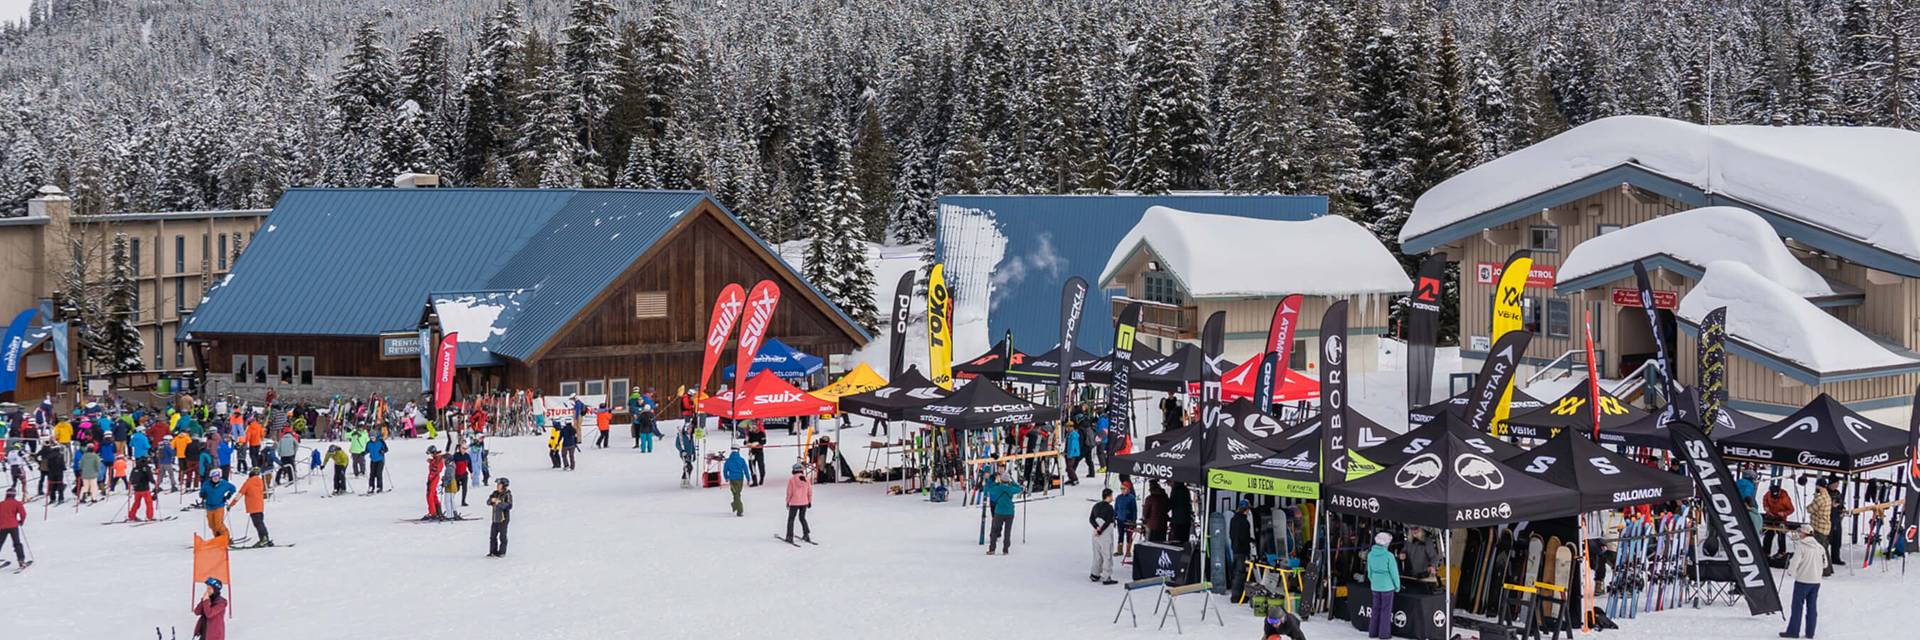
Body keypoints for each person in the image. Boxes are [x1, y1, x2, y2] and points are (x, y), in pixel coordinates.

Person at [1782, 522, 1826, 639]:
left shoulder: (1801, 546)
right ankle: (1810, 633)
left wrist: (1790, 571)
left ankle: (1793, 631)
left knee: (1797, 606)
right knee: (1812, 607)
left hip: (1802, 580)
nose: (1799, 534)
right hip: (1816, 582)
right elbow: (1825, 564)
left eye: (1800, 532)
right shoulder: (1820, 547)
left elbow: (1795, 562)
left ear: (1804, 533)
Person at [1366, 531, 1400, 640]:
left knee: (1375, 609)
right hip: (1387, 587)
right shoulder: (1389, 555)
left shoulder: (1370, 554)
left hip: (1375, 586)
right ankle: (1384, 634)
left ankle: (1372, 632)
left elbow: (1369, 571)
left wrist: (1373, 581)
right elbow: (1394, 573)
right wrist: (1397, 586)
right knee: (1386, 610)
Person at [983, 471, 1023, 555]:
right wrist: (1011, 481)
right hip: (1009, 512)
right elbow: (1019, 488)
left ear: (1001, 480)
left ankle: (992, 549)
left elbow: (988, 489)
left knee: (994, 530)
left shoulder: (998, 488)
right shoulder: (1011, 489)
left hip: (999, 512)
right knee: (1007, 532)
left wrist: (995, 481)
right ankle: (1005, 550)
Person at [234, 468, 272, 547]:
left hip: (252, 506)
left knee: (258, 524)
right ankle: (265, 538)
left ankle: (264, 539)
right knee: (260, 523)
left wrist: (231, 505)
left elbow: (240, 494)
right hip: (260, 506)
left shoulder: (248, 482)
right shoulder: (260, 481)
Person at [1089, 488, 1117, 584]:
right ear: (1108, 496)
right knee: (1107, 555)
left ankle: (1095, 574)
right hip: (1105, 533)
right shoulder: (1110, 508)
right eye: (1111, 496)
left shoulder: (1096, 506)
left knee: (1097, 555)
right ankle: (1106, 576)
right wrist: (1101, 530)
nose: (1112, 498)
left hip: (1095, 533)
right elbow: (1109, 521)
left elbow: (1091, 519)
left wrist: (1096, 528)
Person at [200, 470, 236, 539]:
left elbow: (233, 488)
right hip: (209, 506)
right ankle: (217, 538)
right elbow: (202, 491)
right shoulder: (206, 484)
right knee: (211, 525)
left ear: (220, 477)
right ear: (211, 477)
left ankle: (226, 538)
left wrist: (228, 495)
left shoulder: (224, 483)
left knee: (218, 524)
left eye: (217, 477)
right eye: (214, 477)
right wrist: (202, 495)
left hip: (219, 506)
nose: (216, 478)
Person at [1229, 500, 1255, 595]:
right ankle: (1237, 596)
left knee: (1236, 572)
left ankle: (1236, 594)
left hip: (1235, 549)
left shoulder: (1233, 519)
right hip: (1241, 550)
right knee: (1240, 573)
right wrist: (1250, 540)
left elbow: (1232, 534)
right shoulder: (1244, 521)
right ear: (1246, 509)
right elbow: (1243, 537)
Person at [785, 463, 814, 544]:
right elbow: (810, 491)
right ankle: (806, 534)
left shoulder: (792, 480)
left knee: (791, 519)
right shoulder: (807, 479)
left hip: (794, 503)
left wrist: (787, 501)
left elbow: (789, 492)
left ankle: (789, 536)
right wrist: (809, 501)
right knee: (802, 518)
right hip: (804, 502)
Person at [1764, 481, 1795, 556]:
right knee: (1769, 534)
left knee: (1781, 534)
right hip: (1770, 516)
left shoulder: (1785, 498)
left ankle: (1781, 552)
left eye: (1776, 498)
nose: (1774, 500)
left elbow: (1791, 509)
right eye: (1773, 498)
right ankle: (1766, 551)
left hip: (1781, 518)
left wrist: (1784, 513)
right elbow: (1765, 501)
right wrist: (1766, 508)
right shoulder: (1768, 494)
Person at [1808, 479, 1834, 567]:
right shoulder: (1827, 496)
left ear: (1818, 486)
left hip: (1818, 526)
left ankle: (1825, 570)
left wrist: (1815, 498)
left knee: (1820, 549)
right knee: (1824, 549)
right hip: (1825, 527)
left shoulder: (1819, 498)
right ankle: (1829, 568)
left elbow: (1809, 509)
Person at [0, 488, 26, 568]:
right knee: (17, 543)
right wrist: (21, 521)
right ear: (14, 495)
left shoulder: (1, 504)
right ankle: (21, 560)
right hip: (13, 526)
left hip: (2, 526)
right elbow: (23, 513)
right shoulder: (17, 503)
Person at [487, 477, 512, 557]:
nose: (497, 486)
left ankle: (502, 552)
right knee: (493, 536)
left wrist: (499, 503)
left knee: (502, 536)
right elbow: (488, 502)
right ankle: (492, 551)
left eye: (499, 484)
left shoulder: (507, 494)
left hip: (503, 519)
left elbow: (509, 505)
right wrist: (492, 500)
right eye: (497, 484)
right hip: (495, 518)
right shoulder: (495, 493)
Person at [128, 457, 157, 521]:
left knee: (136, 503)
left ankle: (131, 516)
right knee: (149, 503)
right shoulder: (146, 468)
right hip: (145, 489)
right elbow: (150, 478)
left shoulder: (135, 468)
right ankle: (149, 517)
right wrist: (154, 483)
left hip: (137, 489)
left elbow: (131, 479)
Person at [1114, 480, 1138, 558]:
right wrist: (1114, 517)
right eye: (1121, 488)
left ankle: (1128, 551)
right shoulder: (1118, 497)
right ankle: (1119, 550)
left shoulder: (1132, 498)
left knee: (1129, 536)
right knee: (1120, 535)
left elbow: (1134, 510)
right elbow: (1116, 508)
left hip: (1129, 520)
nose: (1122, 490)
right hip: (1120, 519)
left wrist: (1134, 521)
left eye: (1124, 488)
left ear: (1128, 489)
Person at [723, 447, 749, 516]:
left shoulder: (728, 461)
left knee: (736, 494)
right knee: (737, 493)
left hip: (732, 479)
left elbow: (725, 470)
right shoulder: (741, 460)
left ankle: (738, 508)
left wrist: (726, 477)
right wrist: (748, 478)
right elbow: (746, 470)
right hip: (740, 479)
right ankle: (737, 508)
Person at [425, 446, 446, 520]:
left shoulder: (438, 458)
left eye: (431, 453)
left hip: (434, 478)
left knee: (429, 496)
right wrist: (431, 461)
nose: (430, 455)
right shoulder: (436, 458)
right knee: (433, 495)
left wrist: (431, 462)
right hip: (432, 478)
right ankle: (438, 512)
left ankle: (433, 513)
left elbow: (436, 469)